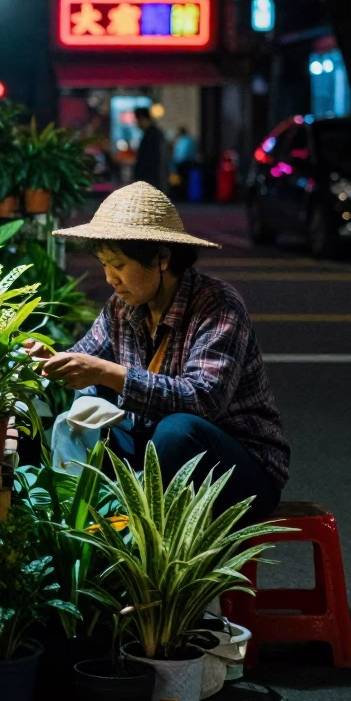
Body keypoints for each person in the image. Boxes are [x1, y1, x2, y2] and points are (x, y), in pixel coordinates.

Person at [29, 181, 288, 524]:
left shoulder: (218, 305)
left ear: (162, 258)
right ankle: (82, 538)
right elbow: (83, 358)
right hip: (154, 451)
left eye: (119, 265)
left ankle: (143, 545)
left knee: (177, 432)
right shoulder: (121, 308)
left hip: (242, 467)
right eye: (104, 263)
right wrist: (49, 359)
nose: (110, 278)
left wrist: (108, 373)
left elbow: (203, 399)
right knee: (75, 424)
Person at [132, 107, 166, 191]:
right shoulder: (152, 133)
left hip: (151, 180)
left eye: (138, 120)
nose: (137, 124)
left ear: (143, 119)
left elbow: (152, 160)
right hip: (151, 180)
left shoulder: (152, 135)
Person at [170, 126, 197, 200]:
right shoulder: (188, 140)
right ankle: (183, 195)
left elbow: (178, 152)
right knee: (185, 180)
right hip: (186, 162)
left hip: (179, 162)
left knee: (180, 180)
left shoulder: (180, 140)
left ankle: (179, 195)